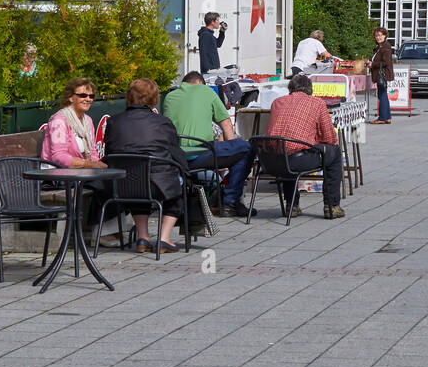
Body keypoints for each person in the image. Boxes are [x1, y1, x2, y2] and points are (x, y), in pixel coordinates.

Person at [103, 78, 192, 253]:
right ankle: (164, 239)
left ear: (128, 97)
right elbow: (175, 153)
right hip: (159, 185)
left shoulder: (114, 122)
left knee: (138, 180)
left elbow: (109, 152)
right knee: (180, 186)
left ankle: (143, 237)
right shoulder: (162, 122)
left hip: (123, 185)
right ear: (154, 99)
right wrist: (185, 171)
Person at [41, 77, 124, 248]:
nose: (88, 99)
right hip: (55, 175)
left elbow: (92, 152)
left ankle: (106, 228)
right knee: (104, 183)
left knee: (118, 178)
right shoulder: (59, 121)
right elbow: (59, 157)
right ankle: (100, 232)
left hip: (78, 172)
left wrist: (97, 163)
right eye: (82, 95)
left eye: (91, 96)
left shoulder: (87, 121)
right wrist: (91, 165)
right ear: (71, 97)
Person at [162, 71, 254, 217]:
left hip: (174, 157)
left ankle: (220, 196)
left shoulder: (169, 96)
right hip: (199, 154)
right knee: (246, 149)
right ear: (199, 82)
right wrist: (233, 153)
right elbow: (226, 124)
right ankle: (229, 201)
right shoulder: (207, 91)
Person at [266, 74, 345, 219]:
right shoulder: (317, 103)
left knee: (287, 148)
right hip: (295, 160)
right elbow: (329, 137)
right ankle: (332, 205)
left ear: (290, 89)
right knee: (334, 153)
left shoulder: (277, 102)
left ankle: (292, 205)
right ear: (310, 89)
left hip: (272, 162)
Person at [369, 26, 394, 125]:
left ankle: (382, 117)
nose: (378, 37)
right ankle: (387, 117)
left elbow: (385, 62)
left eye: (380, 35)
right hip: (381, 73)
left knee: (382, 94)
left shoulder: (386, 47)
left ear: (385, 36)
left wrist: (372, 64)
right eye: (376, 36)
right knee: (383, 94)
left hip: (382, 74)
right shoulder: (380, 47)